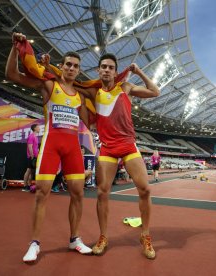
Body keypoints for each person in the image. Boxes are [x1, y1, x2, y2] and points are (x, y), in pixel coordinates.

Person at [6, 32, 92, 263]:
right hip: (51, 145)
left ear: (78, 70)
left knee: (78, 194)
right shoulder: (48, 86)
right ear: (61, 67)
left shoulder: (80, 98)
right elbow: (12, 74)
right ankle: (34, 243)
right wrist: (16, 49)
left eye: (76, 66)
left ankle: (74, 238)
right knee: (42, 194)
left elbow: (94, 120)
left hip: (73, 148)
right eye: (68, 64)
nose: (72, 68)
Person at [75, 53, 160, 259]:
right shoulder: (93, 91)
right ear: (98, 70)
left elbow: (155, 91)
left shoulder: (126, 88)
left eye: (110, 67)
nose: (106, 70)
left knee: (145, 189)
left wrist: (138, 71)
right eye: (103, 66)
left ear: (115, 71)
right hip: (107, 147)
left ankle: (145, 235)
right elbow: (74, 93)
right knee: (102, 192)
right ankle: (103, 237)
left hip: (128, 144)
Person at [22, 124, 39, 192]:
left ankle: (29, 185)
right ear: (35, 128)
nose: (39, 128)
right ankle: (25, 186)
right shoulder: (31, 136)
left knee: (32, 172)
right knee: (28, 171)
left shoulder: (36, 137)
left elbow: (35, 147)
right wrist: (32, 155)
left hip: (35, 156)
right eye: (38, 127)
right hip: (31, 157)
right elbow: (30, 147)